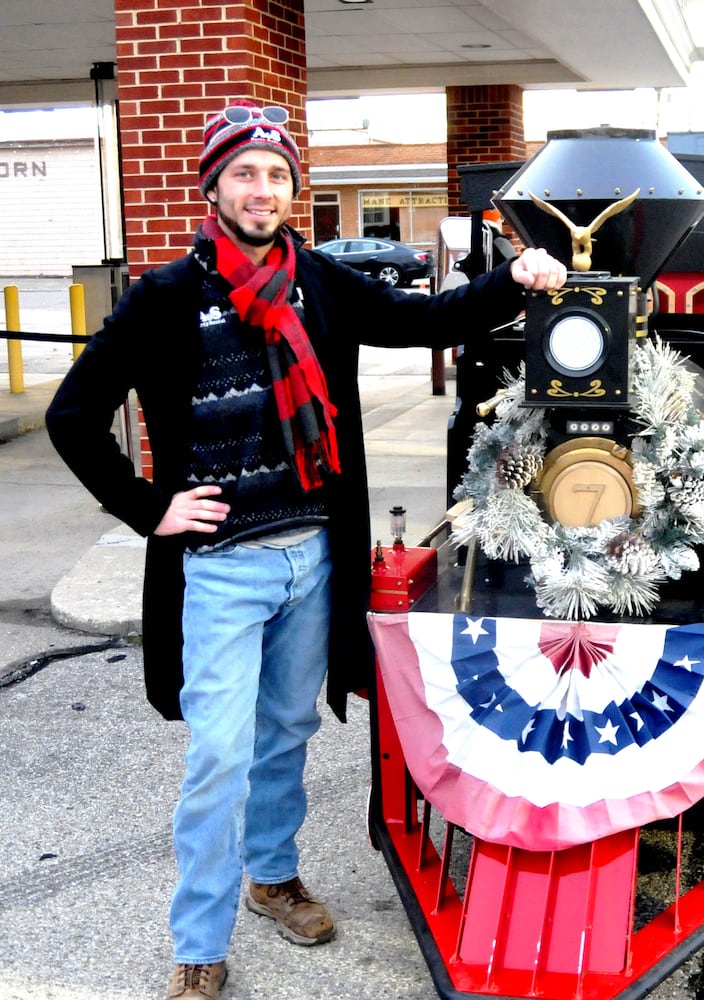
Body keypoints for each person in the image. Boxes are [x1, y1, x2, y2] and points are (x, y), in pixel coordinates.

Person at [45, 100, 566, 1000]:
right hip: (218, 568)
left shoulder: (318, 281)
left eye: (277, 174)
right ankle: (199, 941)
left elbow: (425, 322)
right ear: (212, 186)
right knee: (217, 752)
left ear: (294, 189)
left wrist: (513, 279)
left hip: (312, 556)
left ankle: (271, 876)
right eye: (244, 172)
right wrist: (148, 508)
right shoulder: (166, 298)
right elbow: (72, 416)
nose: (262, 188)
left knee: (286, 728)